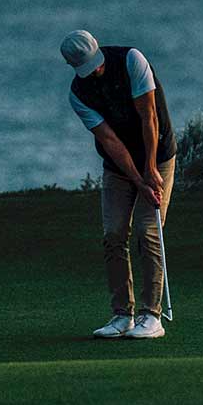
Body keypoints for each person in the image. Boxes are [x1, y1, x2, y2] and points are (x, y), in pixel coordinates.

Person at [59, 29, 174, 339]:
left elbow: (149, 117)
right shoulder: (78, 94)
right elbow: (110, 140)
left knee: (148, 231)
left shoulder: (132, 61)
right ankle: (123, 316)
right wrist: (138, 179)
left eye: (96, 62)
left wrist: (150, 169)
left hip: (158, 155)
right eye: (86, 68)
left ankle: (152, 316)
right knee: (113, 234)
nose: (95, 70)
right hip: (119, 166)